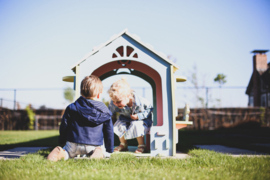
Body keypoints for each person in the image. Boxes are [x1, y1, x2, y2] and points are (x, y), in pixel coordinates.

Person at [47, 75, 114, 161]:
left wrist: (62, 139)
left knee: (67, 153)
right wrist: (110, 148)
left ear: (81, 93)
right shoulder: (105, 111)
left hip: (73, 143)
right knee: (101, 150)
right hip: (93, 145)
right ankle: (98, 152)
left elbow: (64, 125)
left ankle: (61, 153)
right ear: (98, 95)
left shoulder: (72, 107)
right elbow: (109, 131)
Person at [108, 78, 153, 153]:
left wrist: (139, 116)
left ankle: (141, 145)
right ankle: (123, 144)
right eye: (114, 101)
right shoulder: (114, 103)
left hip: (140, 120)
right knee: (118, 124)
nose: (115, 103)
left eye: (118, 101)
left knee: (136, 124)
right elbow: (109, 112)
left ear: (128, 96)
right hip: (125, 119)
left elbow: (149, 110)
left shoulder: (142, 102)